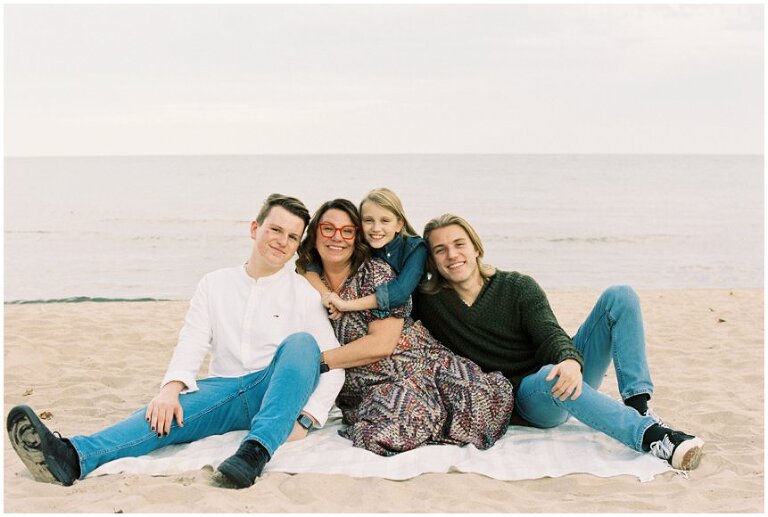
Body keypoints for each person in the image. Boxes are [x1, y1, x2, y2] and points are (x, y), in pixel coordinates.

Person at [6, 194, 345, 489]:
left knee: (302, 344)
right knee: (160, 416)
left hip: (275, 393)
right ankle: (73, 456)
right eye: (275, 230)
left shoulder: (303, 292)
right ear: (255, 228)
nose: (282, 241)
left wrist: (306, 419)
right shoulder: (215, 284)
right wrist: (170, 389)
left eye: (292, 236)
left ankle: (255, 452)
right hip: (224, 392)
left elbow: (335, 366)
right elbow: (193, 340)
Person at [412, 213, 704, 470]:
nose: (452, 255)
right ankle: (653, 437)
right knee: (549, 377)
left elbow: (549, 332)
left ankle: (639, 407)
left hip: (565, 373)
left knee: (621, 296)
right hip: (527, 398)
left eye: (459, 244)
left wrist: (569, 360)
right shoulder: (429, 301)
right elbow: (397, 266)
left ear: (476, 247)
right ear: (432, 260)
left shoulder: (517, 286)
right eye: (440, 250)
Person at [295, 199, 514, 455]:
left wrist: (316, 362)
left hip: (415, 363)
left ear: (357, 237)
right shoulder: (303, 281)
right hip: (363, 386)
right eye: (328, 228)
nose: (337, 237)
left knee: (477, 401)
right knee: (388, 425)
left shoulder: (376, 273)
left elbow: (381, 345)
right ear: (315, 233)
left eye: (347, 231)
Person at [303, 187, 427, 320]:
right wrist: (326, 294)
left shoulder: (415, 248)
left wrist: (345, 305)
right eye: (368, 220)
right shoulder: (363, 243)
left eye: (385, 221)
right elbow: (308, 262)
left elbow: (399, 292)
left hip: (420, 314)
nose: (376, 228)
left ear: (399, 224)